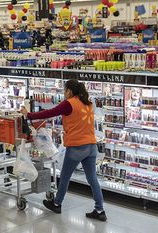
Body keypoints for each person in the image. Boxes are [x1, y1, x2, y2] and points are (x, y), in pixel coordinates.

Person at [20, 79, 107, 221]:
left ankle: (56, 203)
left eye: (65, 90)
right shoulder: (88, 103)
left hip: (76, 147)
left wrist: (28, 115)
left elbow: (49, 112)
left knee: (65, 176)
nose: (64, 93)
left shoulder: (69, 104)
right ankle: (100, 210)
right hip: (91, 146)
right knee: (92, 179)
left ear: (70, 91)